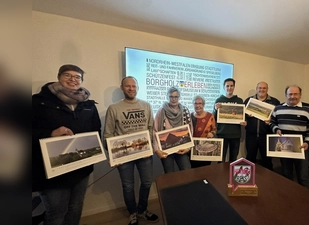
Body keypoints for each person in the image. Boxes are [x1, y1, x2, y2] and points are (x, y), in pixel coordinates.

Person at [32, 64, 101, 225]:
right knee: (56, 212)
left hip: (81, 167)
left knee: (76, 207)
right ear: (58, 77)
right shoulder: (38, 102)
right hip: (51, 170)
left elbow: (96, 130)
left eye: (77, 77)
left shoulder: (88, 104)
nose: (73, 79)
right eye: (67, 75)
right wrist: (50, 133)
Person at [103, 76, 159, 225]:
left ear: (137, 88)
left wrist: (152, 147)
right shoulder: (113, 108)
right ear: (122, 88)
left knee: (147, 182)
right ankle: (132, 212)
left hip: (144, 153)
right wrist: (112, 155)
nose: (131, 89)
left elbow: (150, 128)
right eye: (127, 86)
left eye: (133, 86)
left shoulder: (146, 105)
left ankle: (142, 210)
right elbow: (108, 133)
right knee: (128, 186)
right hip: (123, 155)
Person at [269, 85, 309, 188]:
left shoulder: (308, 109)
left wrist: (308, 143)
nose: (293, 96)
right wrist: (276, 129)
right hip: (284, 147)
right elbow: (272, 123)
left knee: (303, 176)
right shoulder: (278, 108)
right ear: (286, 95)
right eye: (290, 94)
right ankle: (289, 199)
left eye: (296, 94)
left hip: (302, 147)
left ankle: (305, 201)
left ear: (300, 95)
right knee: (286, 174)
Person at [153, 86, 192, 173]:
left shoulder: (185, 110)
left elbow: (190, 129)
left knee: (187, 171)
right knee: (169, 174)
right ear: (167, 97)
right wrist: (156, 150)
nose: (173, 99)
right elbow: (155, 130)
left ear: (179, 97)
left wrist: (188, 148)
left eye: (176, 97)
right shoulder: (161, 111)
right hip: (166, 149)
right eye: (171, 96)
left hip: (182, 147)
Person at [244, 81, 280, 170]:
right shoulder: (248, 100)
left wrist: (271, 119)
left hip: (267, 136)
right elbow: (241, 115)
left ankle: (268, 181)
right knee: (250, 159)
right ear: (256, 89)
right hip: (251, 135)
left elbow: (278, 118)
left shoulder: (275, 101)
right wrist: (246, 116)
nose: (262, 90)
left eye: (264, 88)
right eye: (260, 88)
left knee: (267, 160)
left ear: (267, 89)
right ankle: (249, 180)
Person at [213, 78, 246, 162]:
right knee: (221, 159)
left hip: (235, 135)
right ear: (224, 87)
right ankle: (221, 175)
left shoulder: (239, 101)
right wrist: (215, 109)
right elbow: (214, 118)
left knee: (233, 159)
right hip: (222, 134)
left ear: (234, 87)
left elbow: (243, 117)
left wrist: (244, 122)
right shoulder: (219, 100)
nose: (229, 88)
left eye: (231, 86)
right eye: (227, 86)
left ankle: (231, 175)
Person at [190, 95, 217, 168]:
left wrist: (212, 133)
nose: (198, 105)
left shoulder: (210, 116)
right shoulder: (190, 116)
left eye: (200, 103)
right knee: (194, 170)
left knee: (205, 169)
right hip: (193, 150)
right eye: (196, 103)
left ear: (203, 105)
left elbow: (214, 129)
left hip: (206, 149)